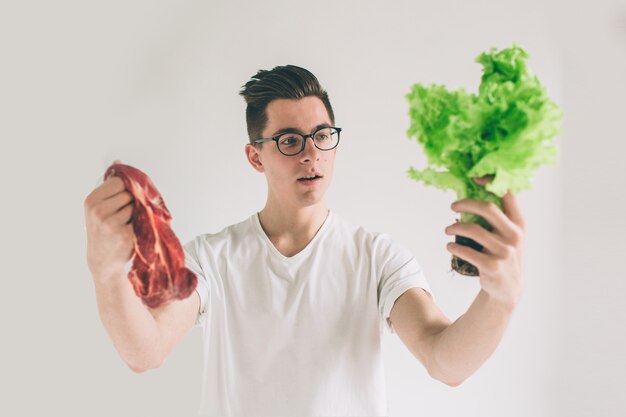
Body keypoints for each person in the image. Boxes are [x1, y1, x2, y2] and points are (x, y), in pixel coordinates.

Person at [83, 65, 526, 416]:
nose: (311, 153)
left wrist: (499, 297)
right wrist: (106, 272)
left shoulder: (376, 257)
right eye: (290, 140)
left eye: (322, 136)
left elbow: (445, 361)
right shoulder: (213, 258)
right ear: (255, 156)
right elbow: (147, 350)